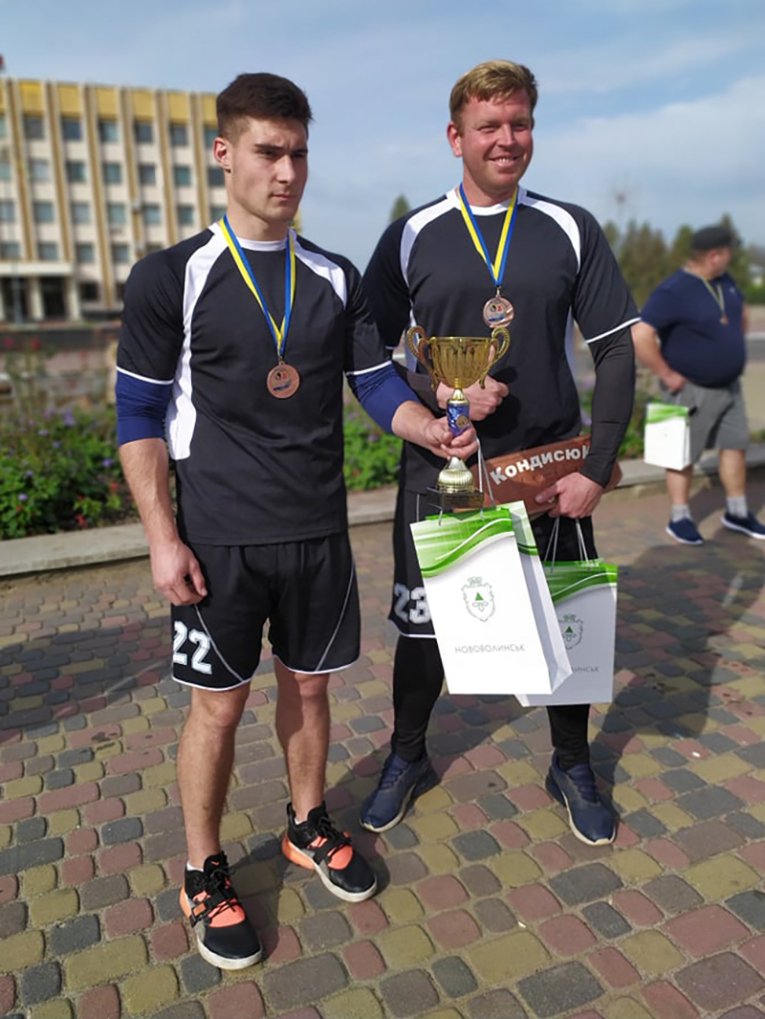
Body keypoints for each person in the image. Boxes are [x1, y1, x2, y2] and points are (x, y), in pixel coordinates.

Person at [115, 72, 477, 971]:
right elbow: (138, 415)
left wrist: (430, 427)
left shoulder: (334, 275)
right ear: (223, 152)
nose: (286, 172)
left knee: (310, 690)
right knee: (218, 706)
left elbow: (373, 382)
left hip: (316, 533)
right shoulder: (171, 276)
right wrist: (162, 538)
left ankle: (306, 824)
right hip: (218, 539)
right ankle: (202, 870)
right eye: (268, 152)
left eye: (299, 153)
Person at [361, 59, 637, 848]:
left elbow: (615, 351)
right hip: (445, 467)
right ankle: (406, 755)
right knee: (424, 631)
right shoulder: (411, 234)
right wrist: (436, 390)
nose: (506, 139)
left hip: (548, 472)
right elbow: (366, 349)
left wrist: (595, 468)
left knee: (567, 623)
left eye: (519, 123)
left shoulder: (569, 227)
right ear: (455, 138)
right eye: (488, 126)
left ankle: (570, 763)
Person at [632, 224, 765, 545]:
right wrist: (666, 374)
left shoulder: (725, 282)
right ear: (714, 255)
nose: (732, 257)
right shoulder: (673, 290)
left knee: (734, 446)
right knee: (679, 455)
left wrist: (729, 347)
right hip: (686, 389)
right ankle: (679, 518)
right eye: (729, 252)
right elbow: (640, 335)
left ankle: (736, 512)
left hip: (729, 387)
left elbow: (739, 316)